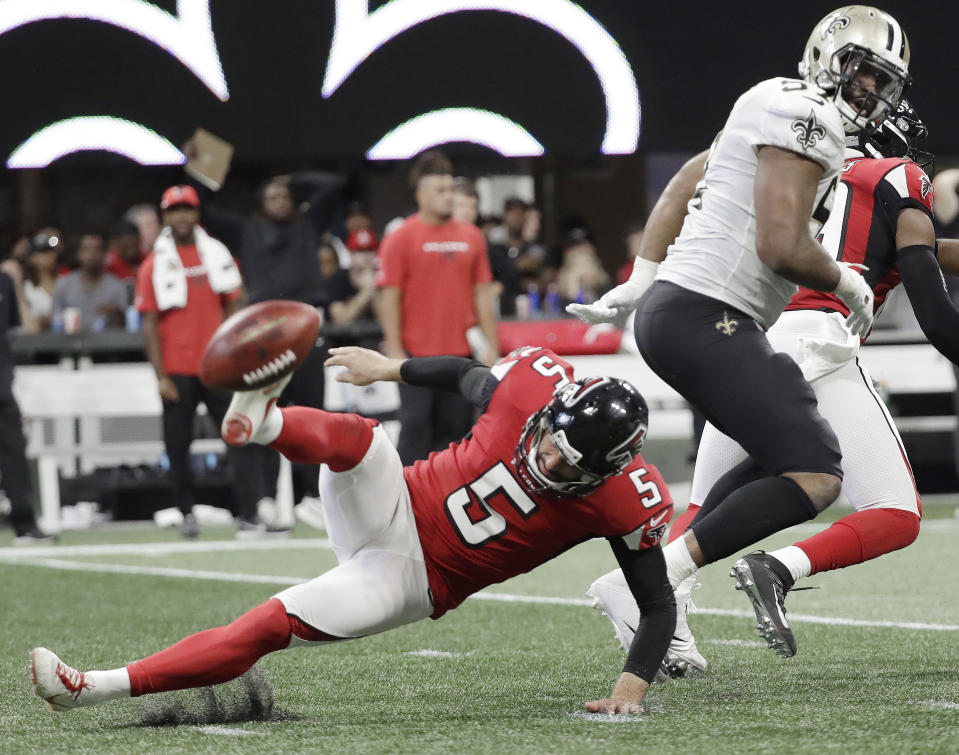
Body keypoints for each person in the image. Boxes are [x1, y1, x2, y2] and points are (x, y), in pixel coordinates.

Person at [32, 343, 675, 716]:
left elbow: (656, 604)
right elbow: (461, 373)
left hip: (412, 579)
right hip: (390, 499)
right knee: (364, 439)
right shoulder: (527, 387)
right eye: (552, 443)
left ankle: (91, 689)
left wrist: (631, 685)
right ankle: (262, 423)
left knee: (265, 626)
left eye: (572, 463)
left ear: (612, 470)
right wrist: (388, 367)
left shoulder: (627, 500)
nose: (549, 460)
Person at [568, 6, 911, 672]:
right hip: (706, 315)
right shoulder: (802, 114)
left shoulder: (777, 105)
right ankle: (645, 582)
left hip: (697, 314)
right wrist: (848, 283)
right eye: (858, 70)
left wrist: (643, 278)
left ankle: (653, 586)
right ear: (824, 56)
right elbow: (779, 244)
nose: (866, 89)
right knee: (814, 473)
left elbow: (682, 181)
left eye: (880, 81)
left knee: (781, 458)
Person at [192, 166, 346, 520]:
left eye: (285, 197)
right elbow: (201, 207)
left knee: (310, 417)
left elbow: (334, 183)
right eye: (272, 196)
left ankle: (313, 497)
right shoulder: (246, 230)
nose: (279, 201)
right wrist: (202, 164)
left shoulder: (308, 225)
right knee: (262, 418)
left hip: (307, 335)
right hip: (263, 340)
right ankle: (266, 499)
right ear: (260, 203)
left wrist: (294, 180)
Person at [134, 185, 281, 539]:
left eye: (188, 209)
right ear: (166, 216)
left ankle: (249, 513)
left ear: (196, 214)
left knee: (239, 438)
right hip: (178, 369)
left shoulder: (215, 253)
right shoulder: (155, 263)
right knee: (177, 447)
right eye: (175, 210)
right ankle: (186, 512)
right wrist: (160, 376)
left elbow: (235, 302)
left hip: (218, 367)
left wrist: (238, 355)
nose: (182, 216)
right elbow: (149, 322)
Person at [377, 150, 500, 464]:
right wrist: (394, 348)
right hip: (415, 357)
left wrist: (492, 346)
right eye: (441, 191)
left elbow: (482, 294)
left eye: (450, 190)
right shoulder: (401, 237)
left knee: (456, 434)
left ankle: (445, 508)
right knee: (415, 430)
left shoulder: (472, 237)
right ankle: (404, 503)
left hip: (459, 358)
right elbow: (389, 296)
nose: (448, 197)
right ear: (421, 195)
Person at [0, 264, 56, 544]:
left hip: (2, 387)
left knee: (15, 459)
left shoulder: (4, 283)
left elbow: (15, 328)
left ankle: (25, 524)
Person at [51, 231, 128, 332]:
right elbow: (54, 320)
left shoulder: (117, 286)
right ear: (79, 253)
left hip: (107, 345)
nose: (91, 255)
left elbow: (127, 325)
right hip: (69, 345)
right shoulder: (63, 285)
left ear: (105, 254)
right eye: (86, 249)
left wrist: (117, 314)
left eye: (97, 249)